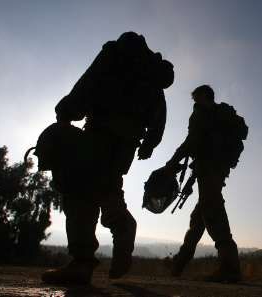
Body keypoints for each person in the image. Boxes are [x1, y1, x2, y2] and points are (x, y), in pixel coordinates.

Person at [41, 31, 173, 284]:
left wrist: (67, 110)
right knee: (107, 186)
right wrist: (148, 145)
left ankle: (82, 262)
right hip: (126, 145)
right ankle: (121, 223)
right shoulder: (154, 75)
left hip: (98, 133)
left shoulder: (115, 55)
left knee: (81, 193)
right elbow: (160, 118)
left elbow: (88, 83)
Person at [165, 85, 247, 283]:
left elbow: (191, 141)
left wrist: (172, 163)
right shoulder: (223, 114)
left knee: (211, 208)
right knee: (199, 217)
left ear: (203, 96)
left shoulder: (202, 114)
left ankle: (230, 267)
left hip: (209, 167)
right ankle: (179, 264)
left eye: (196, 98)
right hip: (218, 168)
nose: (194, 103)